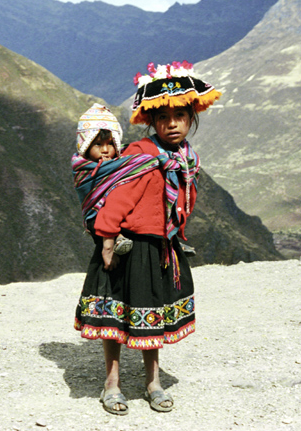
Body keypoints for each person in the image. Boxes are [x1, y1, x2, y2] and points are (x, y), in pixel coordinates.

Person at [74, 61, 221, 415]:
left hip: (161, 247)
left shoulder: (186, 159)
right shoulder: (142, 155)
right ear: (151, 121)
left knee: (150, 317)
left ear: (191, 118)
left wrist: (176, 235)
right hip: (128, 246)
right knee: (115, 320)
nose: (172, 123)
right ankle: (112, 384)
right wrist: (107, 239)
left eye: (180, 114)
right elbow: (119, 199)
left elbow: (183, 201)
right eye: (163, 117)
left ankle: (152, 382)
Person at [72, 103, 133, 255]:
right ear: (85, 145)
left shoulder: (125, 164)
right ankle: (114, 241)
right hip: (96, 217)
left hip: (123, 218)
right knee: (97, 222)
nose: (105, 150)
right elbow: (88, 197)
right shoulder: (82, 168)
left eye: (110, 144)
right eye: (98, 144)